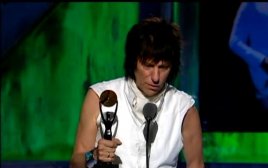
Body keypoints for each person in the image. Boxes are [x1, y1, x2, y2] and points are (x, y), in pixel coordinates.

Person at [70, 17, 204, 168]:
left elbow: (196, 164)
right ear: (133, 61)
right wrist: (93, 156)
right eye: (148, 66)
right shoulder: (101, 96)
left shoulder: (184, 108)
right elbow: (76, 161)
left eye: (163, 67)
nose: (155, 77)